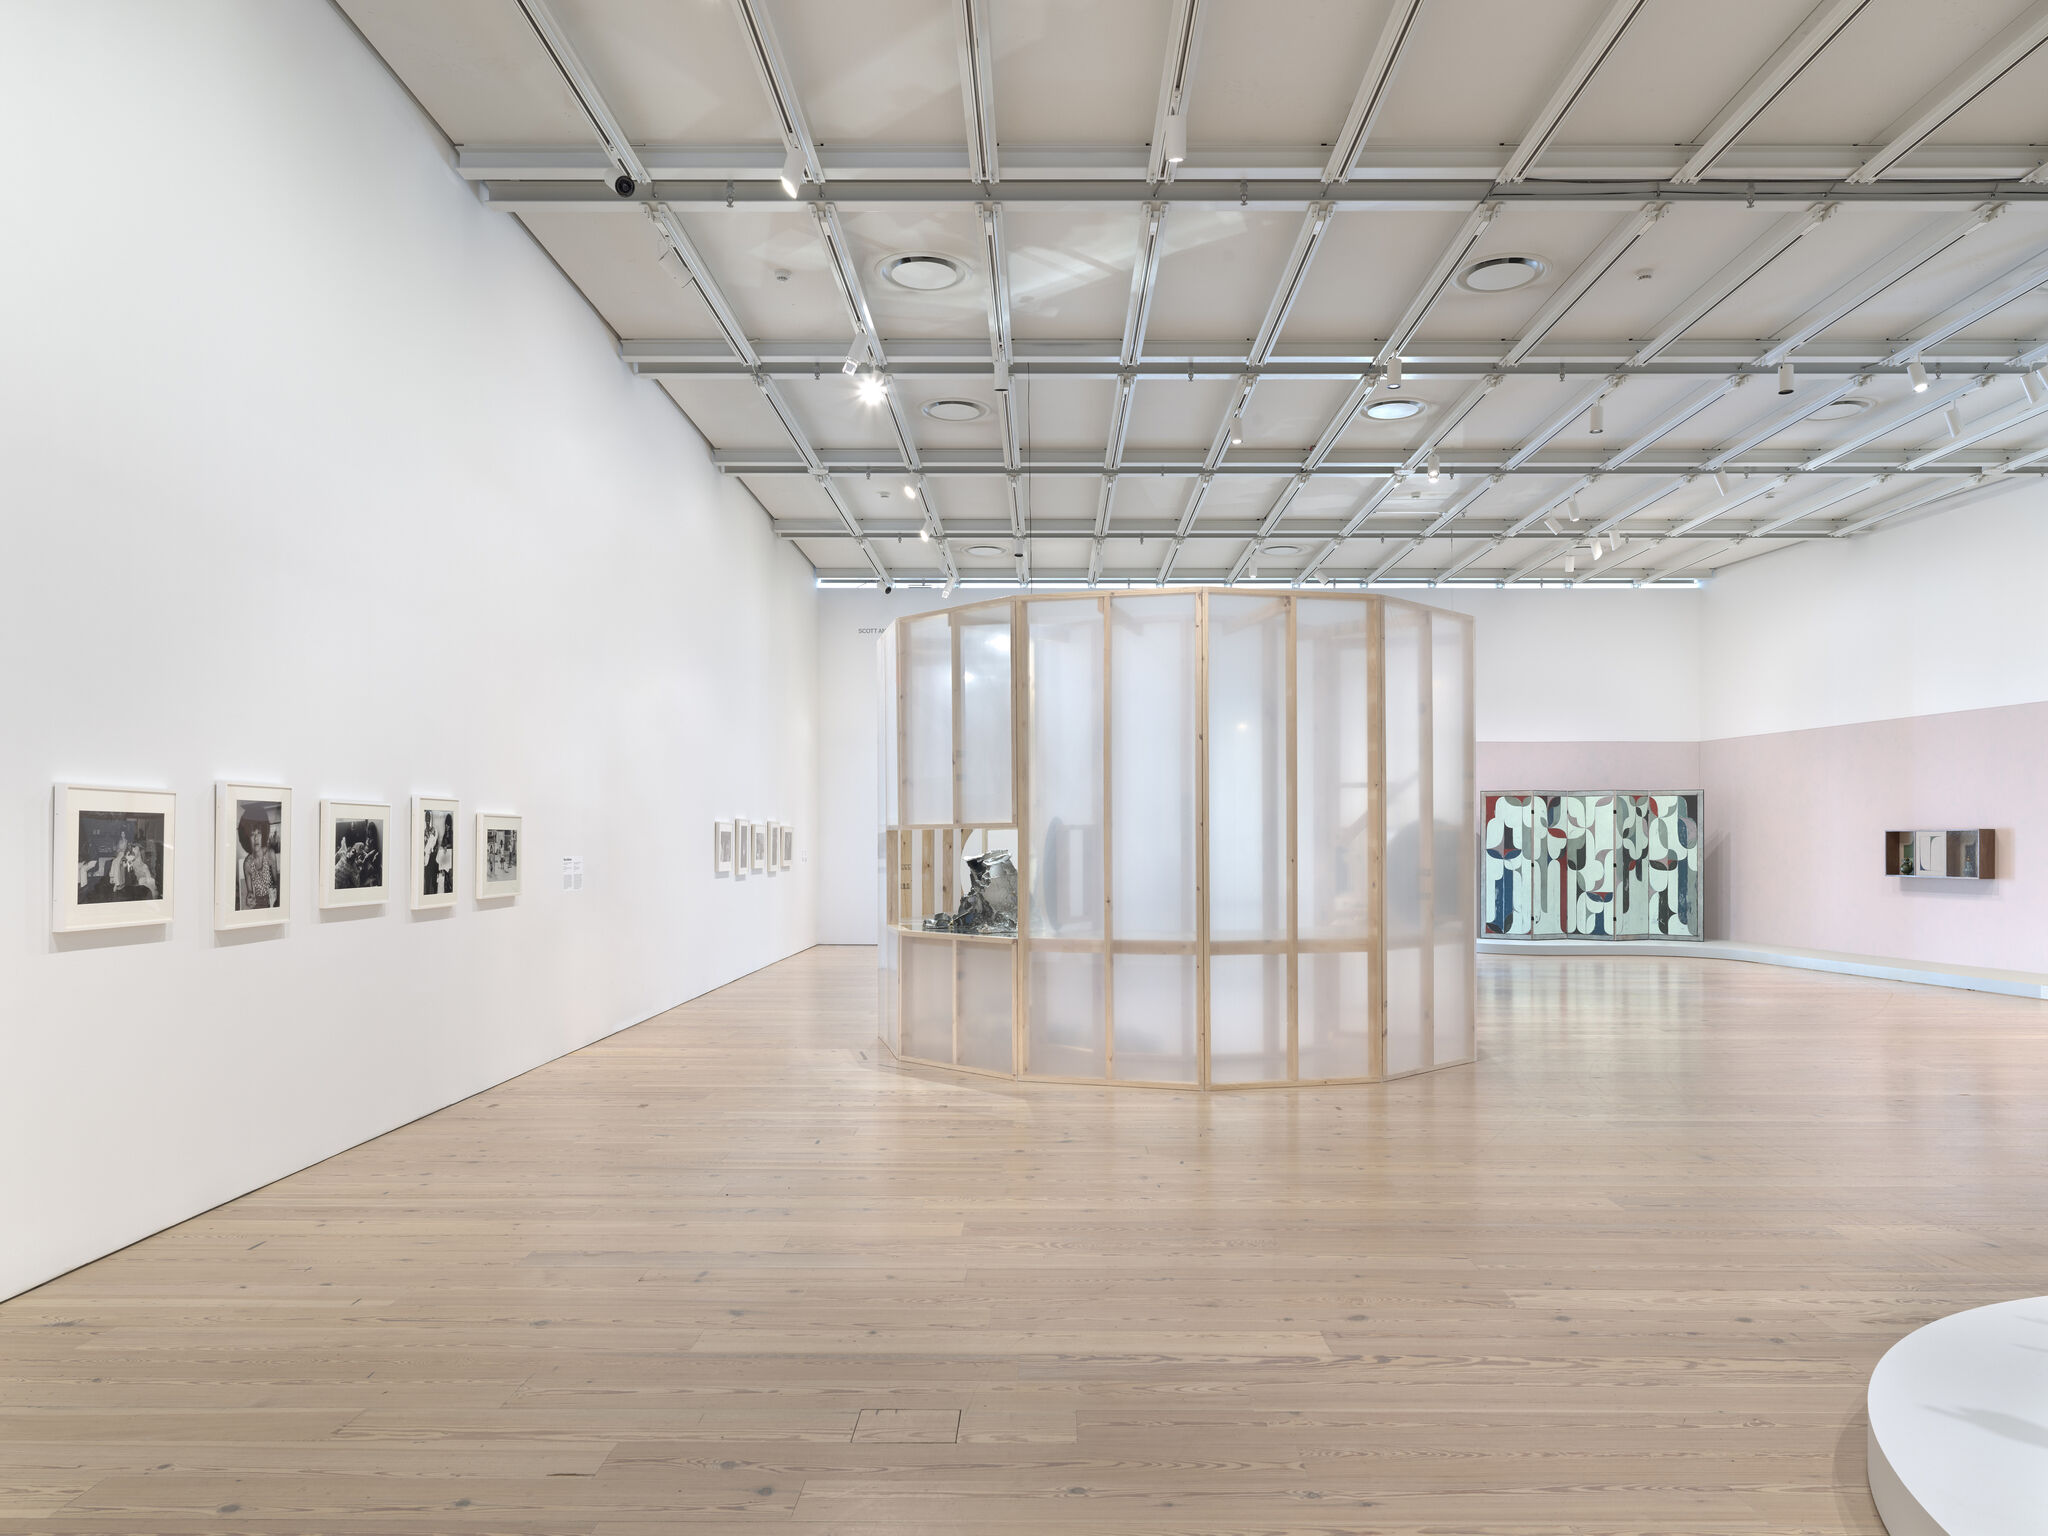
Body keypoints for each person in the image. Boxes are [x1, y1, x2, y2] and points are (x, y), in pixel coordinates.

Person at [237, 814, 278, 910]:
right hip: (259, 904)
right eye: (252, 834)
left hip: (273, 900)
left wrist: (274, 899)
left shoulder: (270, 854)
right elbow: (250, 892)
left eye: (258, 833)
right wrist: (249, 898)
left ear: (263, 834)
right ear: (247, 838)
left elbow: (276, 883)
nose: (256, 838)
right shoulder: (247, 864)